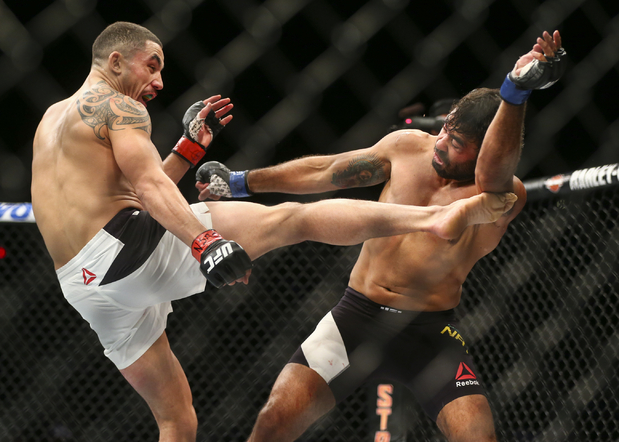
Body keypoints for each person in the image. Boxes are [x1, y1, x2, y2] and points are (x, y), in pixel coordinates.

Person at [30, 21, 516, 442]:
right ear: (115, 60)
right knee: (293, 219)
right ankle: (430, 219)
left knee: (177, 418)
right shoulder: (121, 109)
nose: (158, 81)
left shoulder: (52, 117)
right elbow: (149, 187)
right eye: (151, 66)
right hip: (127, 253)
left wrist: (189, 152)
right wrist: (207, 243)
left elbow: (134, 193)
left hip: (84, 285)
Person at [195, 31, 566, 441]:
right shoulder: (408, 148)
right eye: (446, 128)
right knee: (273, 421)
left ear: (484, 150)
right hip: (357, 317)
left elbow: (493, 173)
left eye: (457, 142)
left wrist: (515, 92)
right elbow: (326, 171)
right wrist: (241, 182)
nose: (441, 142)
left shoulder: (501, 196)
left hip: (429, 334)